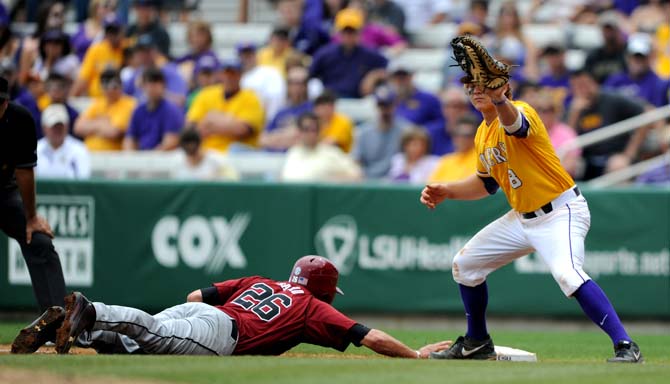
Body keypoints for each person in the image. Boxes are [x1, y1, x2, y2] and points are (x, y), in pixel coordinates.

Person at [420, 49, 643, 362]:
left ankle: (626, 346)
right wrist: (449, 190)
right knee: (465, 266)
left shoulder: (521, 111)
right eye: (471, 84)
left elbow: (515, 126)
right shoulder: (482, 134)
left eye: (483, 82)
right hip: (522, 219)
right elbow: (487, 183)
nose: (476, 89)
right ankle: (477, 342)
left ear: (503, 87)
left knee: (568, 275)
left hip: (560, 211)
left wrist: (500, 100)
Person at [12, 255, 450, 357]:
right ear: (324, 289)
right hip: (224, 334)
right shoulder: (312, 306)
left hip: (207, 314)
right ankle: (92, 310)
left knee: (139, 343)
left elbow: (195, 297)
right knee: (151, 334)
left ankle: (74, 329)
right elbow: (366, 335)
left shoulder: (263, 280)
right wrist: (414, 354)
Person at [0, 77, 67, 313]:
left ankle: (57, 322)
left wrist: (31, 218)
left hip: (4, 194)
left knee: (39, 241)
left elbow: (24, 172)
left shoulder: (20, 119)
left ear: (6, 103)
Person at [567, 69, 645, 180]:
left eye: (585, 84)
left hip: (614, 155)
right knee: (569, 164)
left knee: (618, 165)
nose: (583, 89)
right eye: (577, 86)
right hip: (586, 159)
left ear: (595, 83)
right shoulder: (573, 108)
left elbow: (645, 114)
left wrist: (629, 154)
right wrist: (574, 114)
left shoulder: (613, 99)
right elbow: (567, 139)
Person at [185, 60, 265, 152]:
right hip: (207, 153)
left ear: (240, 76)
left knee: (235, 149)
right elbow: (191, 128)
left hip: (236, 155)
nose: (229, 77)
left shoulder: (251, 97)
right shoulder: (206, 94)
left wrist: (210, 121)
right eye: (225, 74)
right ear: (220, 75)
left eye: (233, 74)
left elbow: (242, 130)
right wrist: (230, 122)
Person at [309, 7, 388, 98]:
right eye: (345, 31)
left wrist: (374, 76)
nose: (348, 36)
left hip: (359, 103)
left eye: (352, 31)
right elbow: (311, 75)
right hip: (330, 102)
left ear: (359, 32)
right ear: (338, 32)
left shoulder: (370, 54)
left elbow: (387, 69)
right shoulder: (325, 54)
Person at [282, 112, 362, 182]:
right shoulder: (292, 153)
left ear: (319, 131)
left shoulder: (331, 153)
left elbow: (357, 175)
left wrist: (331, 180)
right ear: (299, 132)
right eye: (306, 129)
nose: (310, 134)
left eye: (314, 129)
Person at [352, 86, 409, 179]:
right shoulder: (363, 131)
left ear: (395, 105)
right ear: (376, 106)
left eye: (388, 105)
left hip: (395, 182)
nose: (385, 110)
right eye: (382, 105)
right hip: (368, 180)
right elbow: (356, 161)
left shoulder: (406, 130)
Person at [74, 68, 137, 151]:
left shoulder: (129, 103)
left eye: (114, 86)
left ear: (120, 85)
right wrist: (101, 123)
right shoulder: (99, 103)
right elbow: (78, 127)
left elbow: (114, 132)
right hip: (89, 153)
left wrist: (93, 124)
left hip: (112, 158)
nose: (109, 90)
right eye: (105, 85)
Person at [604, 32, 670, 108]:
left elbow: (659, 114)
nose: (638, 61)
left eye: (642, 57)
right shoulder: (614, 80)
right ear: (627, 57)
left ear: (650, 57)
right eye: (635, 56)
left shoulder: (660, 84)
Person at [123, 68, 183, 151]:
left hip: (163, 159)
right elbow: (129, 140)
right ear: (143, 86)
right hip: (141, 158)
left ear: (163, 86)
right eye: (148, 83)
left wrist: (151, 158)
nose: (152, 88)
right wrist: (132, 156)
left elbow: (170, 142)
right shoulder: (138, 111)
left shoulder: (171, 111)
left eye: (156, 83)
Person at [122, 34, 188, 106]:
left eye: (147, 51)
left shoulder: (169, 71)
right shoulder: (136, 73)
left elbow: (181, 101)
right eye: (140, 51)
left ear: (155, 51)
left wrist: (156, 91)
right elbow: (122, 97)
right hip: (141, 114)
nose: (144, 55)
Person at [260, 65, 313, 152]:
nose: (295, 87)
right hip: (271, 156)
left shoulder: (311, 109)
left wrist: (275, 137)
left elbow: (302, 139)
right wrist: (286, 136)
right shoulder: (281, 112)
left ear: (305, 86)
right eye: (291, 83)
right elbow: (262, 139)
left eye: (299, 83)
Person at [71, 14, 125, 97]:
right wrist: (72, 97)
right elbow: (84, 78)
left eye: (115, 31)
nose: (111, 35)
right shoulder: (95, 49)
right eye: (108, 31)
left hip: (119, 100)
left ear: (121, 31)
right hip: (96, 99)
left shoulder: (126, 48)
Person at [36, 104, 91, 179]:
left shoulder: (79, 150)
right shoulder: (35, 150)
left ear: (67, 126)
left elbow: (83, 181)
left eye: (60, 126)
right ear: (44, 127)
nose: (57, 130)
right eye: (53, 127)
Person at [238, 42, 286, 123]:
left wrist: (270, 122)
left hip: (264, 120)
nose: (246, 58)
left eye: (249, 54)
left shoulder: (269, 72)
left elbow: (275, 98)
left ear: (255, 55)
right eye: (244, 55)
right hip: (241, 120)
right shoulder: (235, 76)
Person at [388, 63, 444, 129]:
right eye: (396, 78)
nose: (400, 81)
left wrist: (422, 131)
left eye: (403, 77)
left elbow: (441, 121)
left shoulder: (429, 99)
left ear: (411, 77)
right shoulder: (387, 100)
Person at [427, 114, 479, 183]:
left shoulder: (482, 160)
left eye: (466, 135)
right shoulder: (446, 160)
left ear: (476, 136)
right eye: (457, 134)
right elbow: (431, 185)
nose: (460, 138)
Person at [172, 129, 238, 181]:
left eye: (194, 149)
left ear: (200, 144)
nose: (193, 157)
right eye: (187, 149)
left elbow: (232, 180)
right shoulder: (177, 163)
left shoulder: (218, 161)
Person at [425, 86, 471, 156]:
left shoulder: (474, 132)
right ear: (442, 108)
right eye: (448, 106)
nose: (453, 111)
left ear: (466, 108)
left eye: (457, 106)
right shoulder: (431, 132)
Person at [584, 11, 628, 84]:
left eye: (611, 29)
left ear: (617, 30)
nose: (608, 33)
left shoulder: (626, 52)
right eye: (606, 29)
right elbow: (587, 79)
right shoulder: (594, 55)